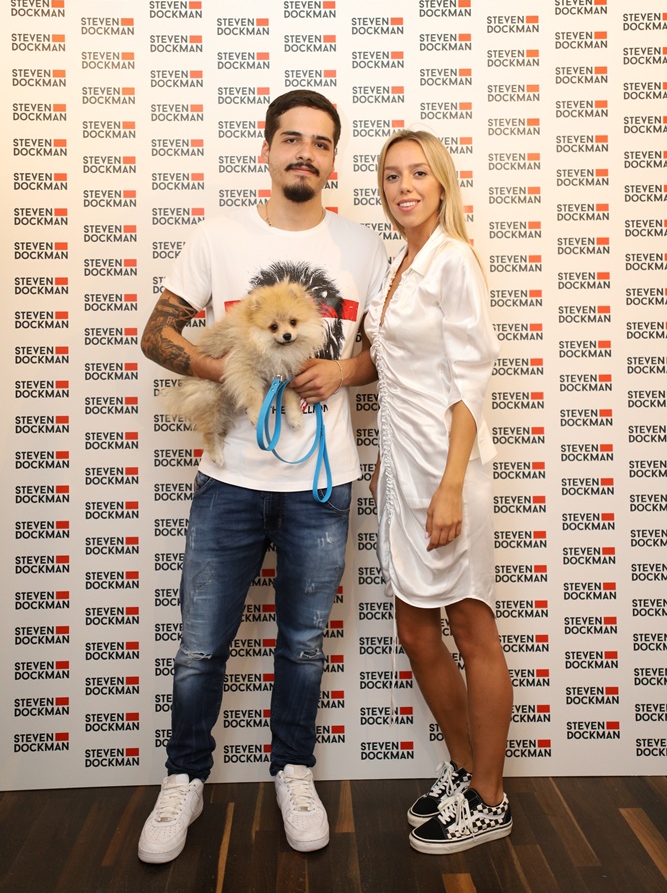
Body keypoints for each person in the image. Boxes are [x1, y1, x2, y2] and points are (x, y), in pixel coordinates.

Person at [138, 89, 387, 862]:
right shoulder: (218, 236)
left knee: (303, 645)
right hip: (230, 478)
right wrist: (230, 370)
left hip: (321, 481)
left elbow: (388, 354)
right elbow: (156, 334)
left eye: (320, 142)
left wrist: (341, 373)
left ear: (333, 160)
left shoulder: (364, 248)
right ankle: (184, 777)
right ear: (267, 150)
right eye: (291, 138)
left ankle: (292, 771)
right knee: (199, 647)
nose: (304, 152)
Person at [364, 129, 513, 854]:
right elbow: (393, 371)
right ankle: (461, 767)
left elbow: (468, 380)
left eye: (419, 173)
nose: (405, 187)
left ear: (442, 183)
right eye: (392, 176)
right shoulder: (395, 263)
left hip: (449, 473)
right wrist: (387, 463)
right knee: (415, 630)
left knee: (471, 628)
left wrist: (450, 485)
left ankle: (490, 796)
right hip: (404, 471)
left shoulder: (453, 260)